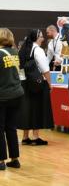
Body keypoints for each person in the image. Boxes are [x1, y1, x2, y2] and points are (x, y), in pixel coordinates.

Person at [18, 29, 53, 146]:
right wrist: (49, 83)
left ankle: (25, 137)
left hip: (25, 84)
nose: (43, 38)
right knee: (37, 109)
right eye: (41, 36)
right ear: (36, 38)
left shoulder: (23, 50)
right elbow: (45, 69)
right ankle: (36, 137)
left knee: (27, 109)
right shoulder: (38, 50)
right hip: (37, 84)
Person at [0, 28, 24, 170]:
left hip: (3, 96)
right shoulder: (15, 52)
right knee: (11, 128)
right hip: (17, 94)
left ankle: (1, 161)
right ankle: (15, 159)